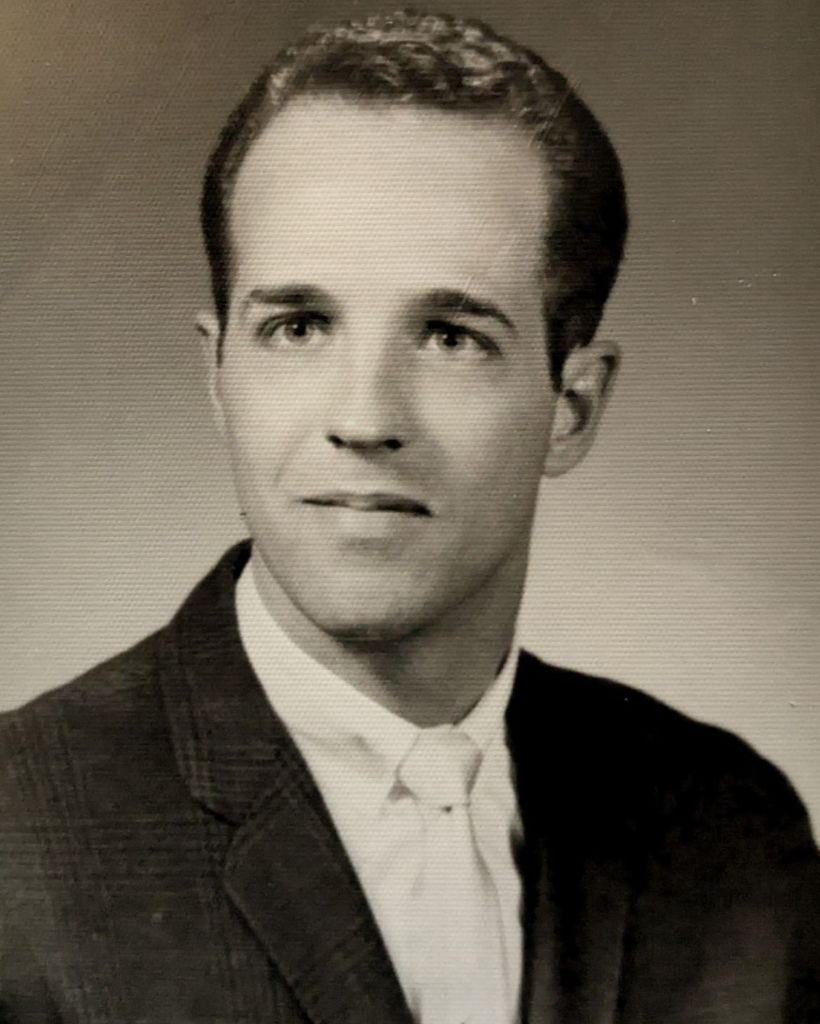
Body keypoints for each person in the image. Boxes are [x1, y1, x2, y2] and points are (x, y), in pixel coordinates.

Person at [0, 9, 817, 1023]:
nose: (364, 418)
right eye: (299, 327)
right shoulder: (17, 836)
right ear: (219, 376)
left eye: (448, 335)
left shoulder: (734, 832)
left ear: (571, 407)